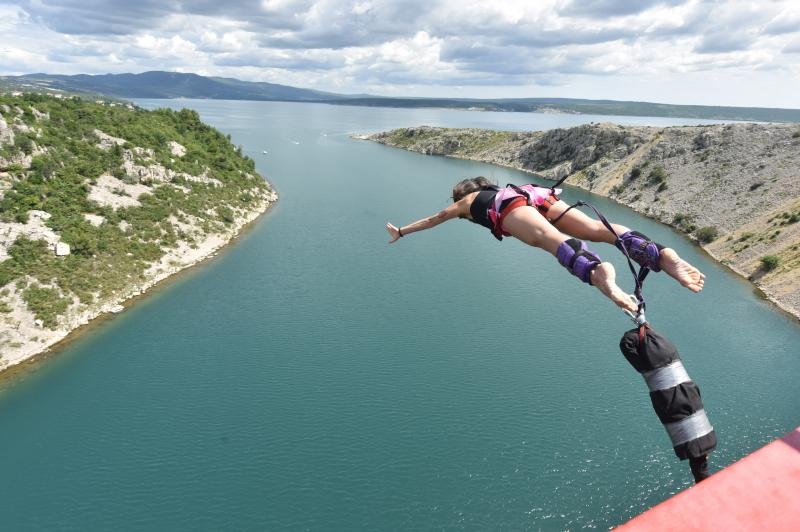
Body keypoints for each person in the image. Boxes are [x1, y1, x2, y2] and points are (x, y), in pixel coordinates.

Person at [385, 177, 705, 313]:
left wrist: (402, 230)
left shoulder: (467, 201)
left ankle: (600, 275)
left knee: (549, 240)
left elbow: (435, 218)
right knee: (596, 228)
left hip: (510, 207)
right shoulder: (501, 187)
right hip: (535, 194)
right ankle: (660, 254)